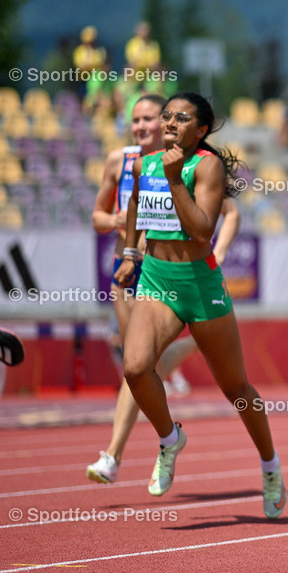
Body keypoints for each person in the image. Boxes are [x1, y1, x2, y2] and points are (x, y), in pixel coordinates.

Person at [115, 92, 285, 519]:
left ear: (201, 130)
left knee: (237, 390)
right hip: (156, 280)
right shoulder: (143, 164)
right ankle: (170, 438)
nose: (169, 123)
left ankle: (270, 465)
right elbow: (135, 204)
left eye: (181, 118)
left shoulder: (204, 166)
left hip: (200, 284)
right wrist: (131, 256)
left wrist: (176, 181)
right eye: (167, 116)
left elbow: (202, 232)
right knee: (135, 368)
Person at [86, 94, 237, 484]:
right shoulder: (123, 162)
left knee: (143, 363)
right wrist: (117, 221)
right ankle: (126, 449)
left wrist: (215, 251)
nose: (142, 127)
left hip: (173, 271)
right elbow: (97, 216)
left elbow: (227, 213)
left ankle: (116, 453)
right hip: (130, 267)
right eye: (136, 120)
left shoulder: (192, 163)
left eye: (150, 119)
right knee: (135, 363)